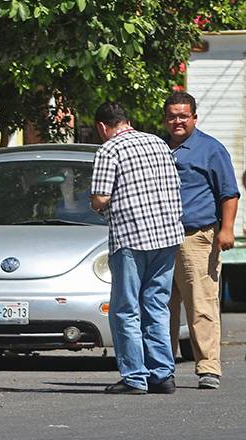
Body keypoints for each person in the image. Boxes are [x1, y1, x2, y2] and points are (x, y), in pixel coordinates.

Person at [89, 101, 184, 395]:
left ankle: (134, 377)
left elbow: (100, 198)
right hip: (166, 236)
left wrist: (95, 205)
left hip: (131, 237)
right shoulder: (158, 143)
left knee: (126, 309)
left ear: (103, 127)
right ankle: (163, 374)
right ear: (127, 120)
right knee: (157, 305)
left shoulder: (109, 150)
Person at [164, 90, 240, 389]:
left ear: (194, 117)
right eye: (172, 116)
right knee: (160, 305)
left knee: (201, 304)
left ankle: (208, 367)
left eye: (183, 116)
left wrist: (227, 229)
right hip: (159, 238)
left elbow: (229, 193)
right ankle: (161, 366)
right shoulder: (159, 147)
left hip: (196, 237)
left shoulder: (211, 149)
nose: (178, 121)